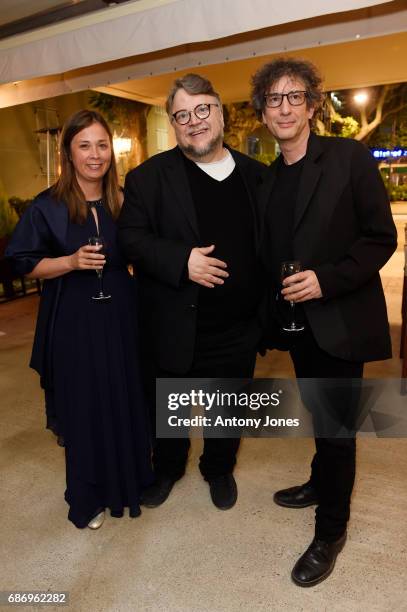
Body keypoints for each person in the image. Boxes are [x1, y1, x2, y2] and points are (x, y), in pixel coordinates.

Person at [251, 58, 397, 586]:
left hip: (339, 317)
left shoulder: (349, 158)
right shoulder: (267, 179)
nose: (284, 107)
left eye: (295, 97)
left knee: (336, 429)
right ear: (263, 114)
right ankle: (321, 481)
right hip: (296, 324)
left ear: (313, 105)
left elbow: (381, 238)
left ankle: (330, 530)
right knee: (318, 412)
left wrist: (324, 280)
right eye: (273, 99)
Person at [118, 74, 264, 510]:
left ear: (220, 112)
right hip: (174, 322)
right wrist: (182, 260)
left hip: (239, 327)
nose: (194, 121)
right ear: (174, 124)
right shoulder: (148, 178)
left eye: (202, 109)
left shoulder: (258, 176)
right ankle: (168, 468)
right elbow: (130, 238)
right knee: (171, 409)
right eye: (182, 115)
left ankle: (218, 469)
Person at [6, 110, 153, 529]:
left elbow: (141, 252)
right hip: (73, 318)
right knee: (85, 405)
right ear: (68, 153)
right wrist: (70, 261)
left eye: (102, 145)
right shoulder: (47, 207)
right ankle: (88, 497)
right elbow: (22, 263)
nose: (95, 154)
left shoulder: (123, 200)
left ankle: (131, 481)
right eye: (84, 145)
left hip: (122, 315)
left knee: (125, 395)